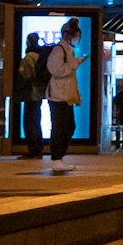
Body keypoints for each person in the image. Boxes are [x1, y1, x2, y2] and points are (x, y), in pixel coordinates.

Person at [45, 18, 86, 172]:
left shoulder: (68, 49)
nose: (77, 38)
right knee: (60, 127)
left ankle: (59, 157)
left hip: (64, 95)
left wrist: (76, 95)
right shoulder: (59, 50)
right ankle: (56, 158)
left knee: (68, 127)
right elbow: (57, 71)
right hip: (57, 95)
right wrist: (74, 64)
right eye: (76, 35)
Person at [15, 33, 47, 159]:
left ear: (28, 42)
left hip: (30, 94)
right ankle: (38, 147)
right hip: (39, 93)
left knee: (29, 122)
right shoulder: (41, 56)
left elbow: (25, 76)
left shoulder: (28, 58)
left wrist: (18, 89)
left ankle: (33, 149)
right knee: (36, 121)